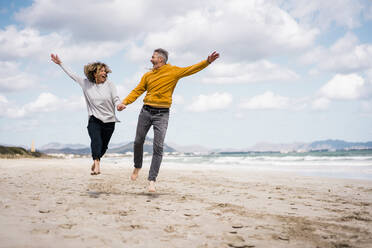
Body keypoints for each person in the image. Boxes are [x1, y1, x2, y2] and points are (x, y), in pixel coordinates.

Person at [117, 48, 219, 192]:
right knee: (138, 141)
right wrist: (125, 102)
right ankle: (137, 166)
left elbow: (191, 69)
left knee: (158, 147)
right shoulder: (147, 75)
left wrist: (207, 62)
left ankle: (152, 180)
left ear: (161, 59)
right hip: (146, 111)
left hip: (162, 114)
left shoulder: (173, 71)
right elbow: (137, 90)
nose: (150, 59)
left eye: (153, 57)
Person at [51, 54, 125, 175]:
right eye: (101, 71)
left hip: (109, 121)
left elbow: (116, 98)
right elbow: (72, 75)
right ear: (94, 73)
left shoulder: (110, 85)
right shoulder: (85, 83)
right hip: (94, 119)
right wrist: (60, 63)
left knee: (103, 147)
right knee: (96, 141)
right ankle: (97, 165)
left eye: (105, 71)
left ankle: (96, 160)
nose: (104, 73)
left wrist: (119, 105)